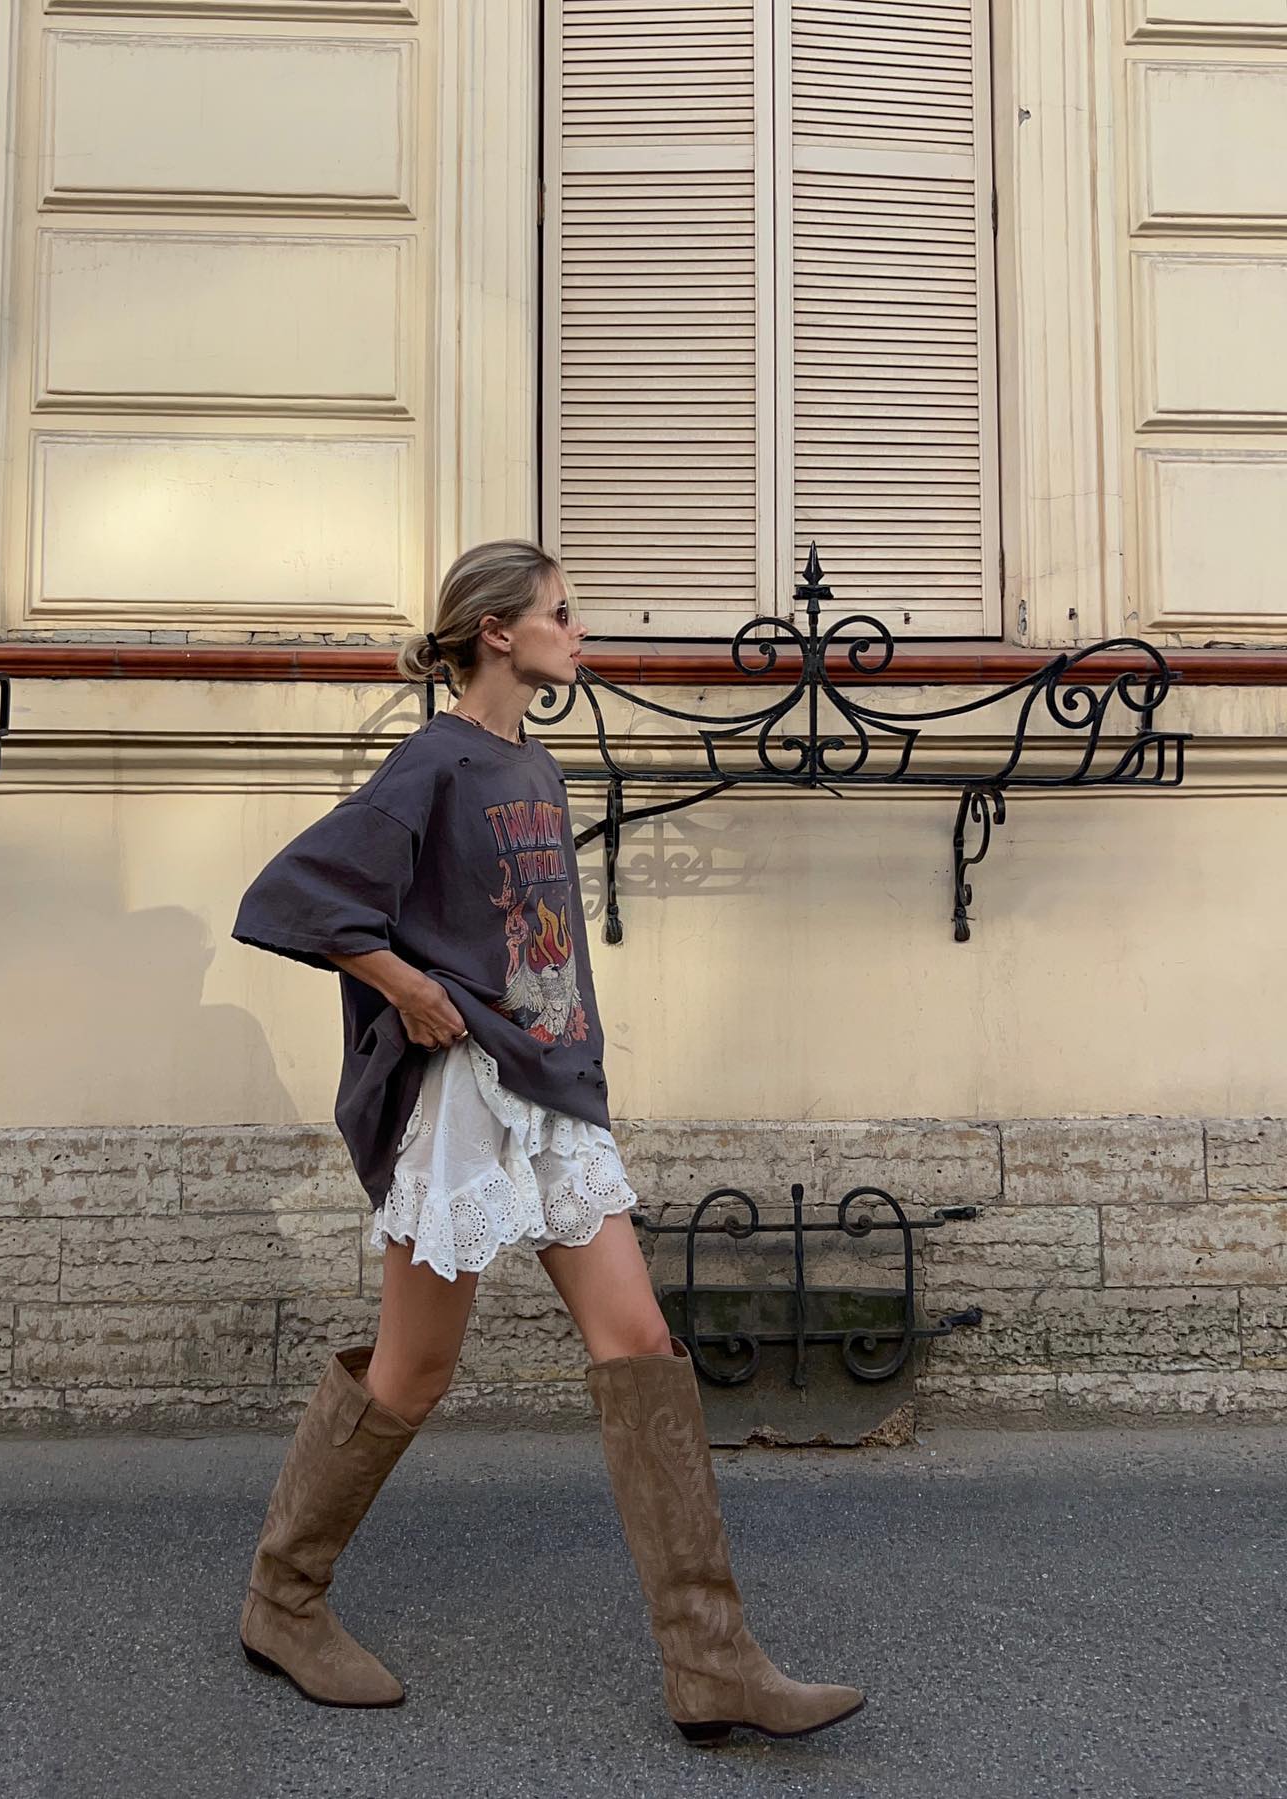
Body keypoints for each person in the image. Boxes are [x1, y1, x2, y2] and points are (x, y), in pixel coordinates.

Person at [230, 538, 866, 1747]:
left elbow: (542, 948)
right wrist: (408, 984)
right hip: (467, 1098)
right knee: (414, 1371)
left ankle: (712, 1660)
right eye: (561, 614)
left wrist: (582, 1075)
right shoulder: (434, 761)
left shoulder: (537, 763)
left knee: (641, 1342)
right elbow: (296, 897)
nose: (578, 633)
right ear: (496, 631)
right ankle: (284, 1597)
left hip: (553, 1091)